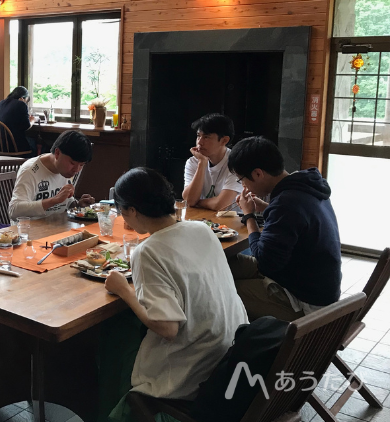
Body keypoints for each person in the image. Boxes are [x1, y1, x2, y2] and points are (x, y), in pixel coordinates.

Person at [103, 168, 248, 421]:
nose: (124, 219)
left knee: (112, 344)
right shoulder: (202, 229)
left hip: (193, 372)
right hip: (231, 350)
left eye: (122, 211)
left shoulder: (148, 251)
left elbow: (167, 327)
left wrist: (124, 291)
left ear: (133, 211)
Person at [227, 136, 342, 321]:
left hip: (305, 302)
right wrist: (264, 207)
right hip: (308, 281)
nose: (244, 186)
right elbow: (293, 221)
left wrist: (249, 216)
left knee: (223, 290)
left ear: (257, 174)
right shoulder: (305, 185)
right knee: (224, 265)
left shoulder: (286, 203)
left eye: (241, 180)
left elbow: (265, 261)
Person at [8, 130, 95, 220]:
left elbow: (64, 203)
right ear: (57, 153)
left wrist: (77, 204)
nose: (76, 170)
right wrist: (54, 200)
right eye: (72, 163)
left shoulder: (65, 171)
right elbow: (14, 211)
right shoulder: (30, 171)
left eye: (81, 165)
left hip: (58, 228)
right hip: (31, 231)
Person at [182, 113, 243, 211]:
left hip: (232, 221)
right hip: (203, 219)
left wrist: (198, 202)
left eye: (206, 137)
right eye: (198, 136)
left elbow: (221, 205)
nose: (199, 142)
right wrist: (202, 163)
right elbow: (189, 200)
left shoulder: (236, 163)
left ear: (224, 140)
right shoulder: (193, 162)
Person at [0, 86, 36, 156]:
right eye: (27, 100)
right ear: (23, 98)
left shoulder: (2, 103)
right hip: (13, 147)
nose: (26, 102)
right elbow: (26, 126)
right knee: (36, 144)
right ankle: (25, 166)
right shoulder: (21, 104)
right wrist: (32, 120)